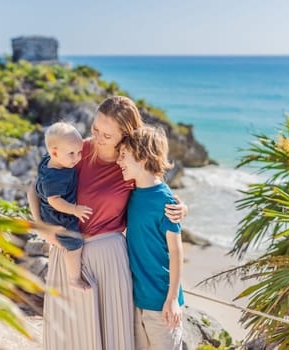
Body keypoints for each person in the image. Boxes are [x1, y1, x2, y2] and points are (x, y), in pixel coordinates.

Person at [27, 95, 187, 350]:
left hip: (110, 261)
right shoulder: (76, 151)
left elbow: (155, 194)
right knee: (70, 339)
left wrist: (181, 207)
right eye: (95, 130)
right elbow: (36, 190)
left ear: (126, 136)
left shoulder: (130, 165)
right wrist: (43, 228)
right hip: (69, 257)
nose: (97, 139)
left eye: (107, 135)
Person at [117, 125, 184, 350]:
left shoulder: (165, 200)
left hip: (162, 303)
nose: (119, 161)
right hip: (137, 299)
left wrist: (173, 299)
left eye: (124, 155)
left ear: (143, 157)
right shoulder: (132, 194)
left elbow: (176, 252)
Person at [34, 122, 92, 290]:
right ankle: (74, 278)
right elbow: (54, 201)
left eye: (79, 152)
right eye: (72, 153)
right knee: (75, 244)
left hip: (54, 210)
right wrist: (74, 209)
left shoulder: (50, 159)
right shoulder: (55, 177)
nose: (77, 157)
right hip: (57, 215)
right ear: (54, 152)